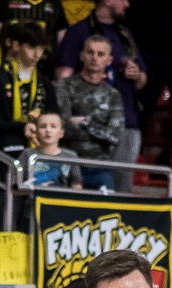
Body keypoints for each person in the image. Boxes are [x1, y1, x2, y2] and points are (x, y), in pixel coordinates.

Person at [55, 0, 146, 194]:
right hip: (82, 137)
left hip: (126, 122)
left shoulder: (124, 34)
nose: (128, 4)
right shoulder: (78, 31)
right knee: (75, 191)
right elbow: (62, 77)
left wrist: (137, 74)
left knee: (120, 193)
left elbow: (142, 81)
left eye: (100, 54)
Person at [0, 19, 55, 193]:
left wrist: (41, 125)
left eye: (41, 48)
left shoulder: (45, 83)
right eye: (31, 47)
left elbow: (56, 118)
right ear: (16, 45)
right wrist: (19, 127)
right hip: (5, 153)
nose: (37, 54)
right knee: (2, 202)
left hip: (38, 154)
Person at [55, 33, 123, 191]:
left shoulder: (113, 95)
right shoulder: (64, 86)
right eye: (90, 52)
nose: (94, 58)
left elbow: (114, 136)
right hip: (68, 165)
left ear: (109, 60)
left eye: (100, 54)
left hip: (101, 167)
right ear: (82, 56)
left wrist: (85, 122)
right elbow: (61, 128)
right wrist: (99, 130)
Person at [26, 110, 82, 188]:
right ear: (37, 132)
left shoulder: (70, 156)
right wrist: (39, 188)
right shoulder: (28, 154)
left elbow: (77, 185)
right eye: (43, 126)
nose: (48, 130)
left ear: (61, 133)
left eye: (53, 126)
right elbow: (17, 187)